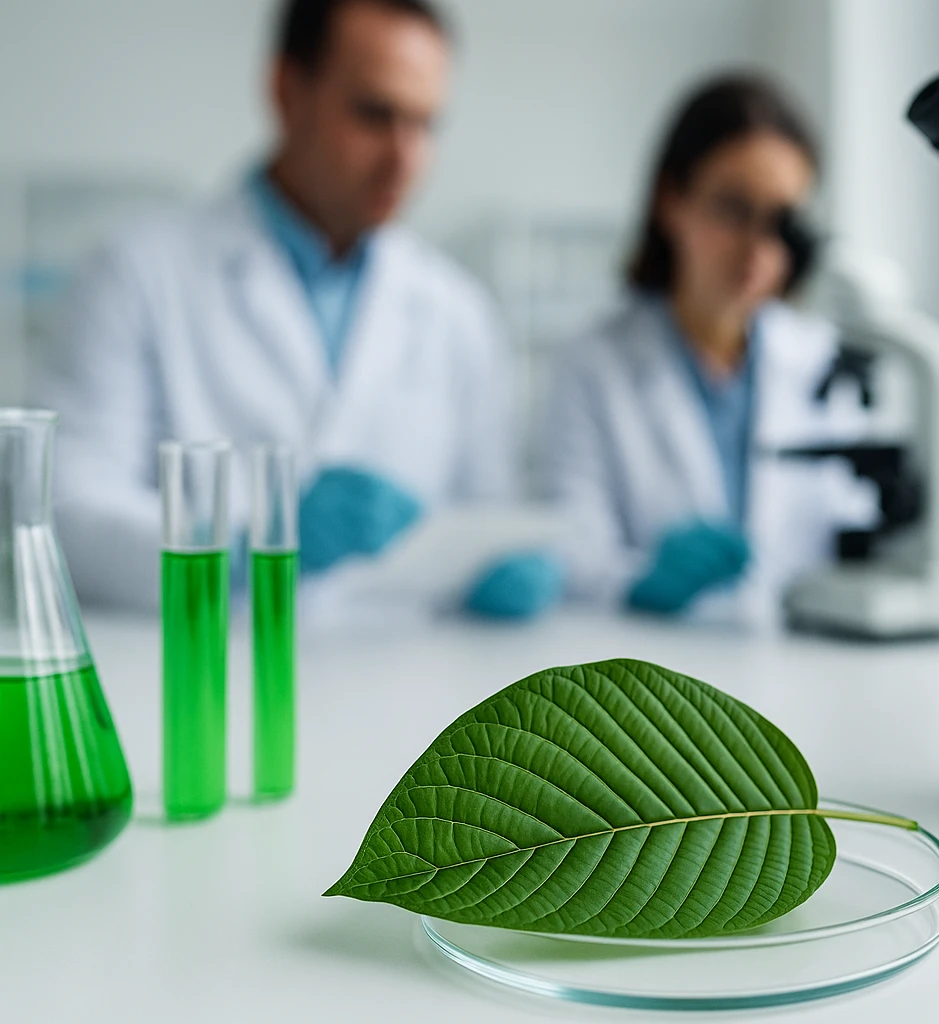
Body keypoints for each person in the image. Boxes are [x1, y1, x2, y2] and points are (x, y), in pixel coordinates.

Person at [36, 0, 559, 619]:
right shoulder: (137, 272)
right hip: (210, 675)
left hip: (410, 683)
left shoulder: (456, 310)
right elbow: (66, 507)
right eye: (374, 115)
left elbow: (487, 511)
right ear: (286, 91)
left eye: (425, 125)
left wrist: (504, 562)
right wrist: (239, 551)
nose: (405, 158)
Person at [537, 75, 873, 622]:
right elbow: (570, 552)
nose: (757, 248)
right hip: (649, 680)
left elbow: (854, 536)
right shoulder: (592, 364)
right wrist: (641, 580)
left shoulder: (822, 363)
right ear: (672, 201)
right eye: (733, 208)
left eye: (780, 221)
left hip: (803, 665)